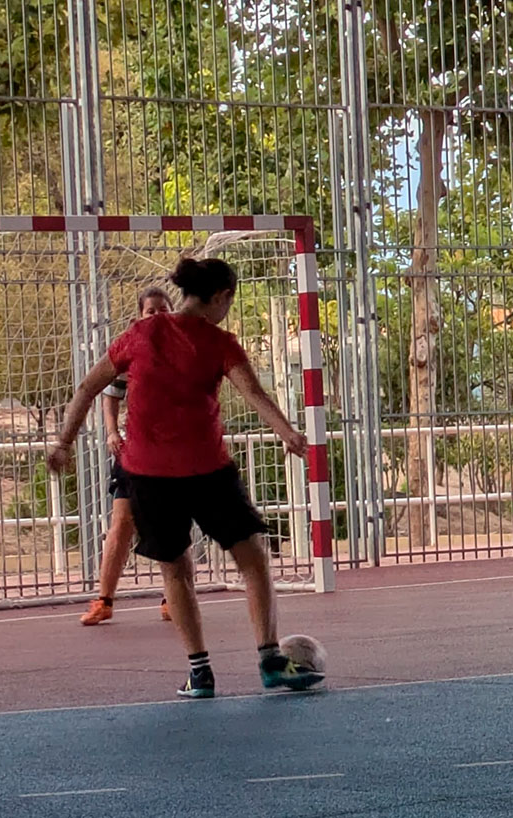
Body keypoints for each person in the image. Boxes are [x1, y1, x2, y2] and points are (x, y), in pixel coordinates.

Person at [49, 256, 324, 698]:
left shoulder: (140, 334)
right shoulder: (218, 342)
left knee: (176, 570)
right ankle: (270, 661)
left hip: (150, 474)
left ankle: (200, 673)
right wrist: (287, 432)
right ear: (221, 297)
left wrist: (64, 441)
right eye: (229, 302)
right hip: (206, 471)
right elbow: (252, 392)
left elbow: (87, 387)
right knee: (253, 558)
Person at [81, 286, 174, 626]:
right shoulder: (131, 349)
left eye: (164, 309)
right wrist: (111, 431)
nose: (159, 315)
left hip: (171, 450)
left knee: (168, 522)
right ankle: (104, 600)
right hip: (134, 449)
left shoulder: (184, 350)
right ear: (141, 316)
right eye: (152, 311)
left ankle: (172, 597)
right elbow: (110, 393)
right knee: (121, 521)